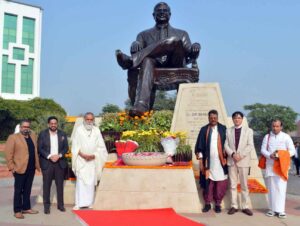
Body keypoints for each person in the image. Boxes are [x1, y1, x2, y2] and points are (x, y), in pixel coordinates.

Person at [116, 2, 201, 117]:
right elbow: (138, 47)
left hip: (175, 62)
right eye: (159, 11)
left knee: (174, 40)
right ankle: (141, 106)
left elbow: (190, 52)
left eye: (164, 10)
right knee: (146, 60)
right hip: (154, 64)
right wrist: (135, 43)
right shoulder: (143, 35)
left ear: (170, 14)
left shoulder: (182, 33)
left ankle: (131, 61)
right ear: (153, 15)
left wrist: (196, 46)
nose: (162, 13)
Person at [4, 119, 40, 219]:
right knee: (18, 190)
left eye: (28, 127)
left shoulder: (32, 136)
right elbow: (8, 153)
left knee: (28, 189)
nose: (26, 129)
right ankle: (17, 210)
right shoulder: (13, 137)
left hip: (31, 168)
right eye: (24, 127)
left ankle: (26, 207)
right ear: (20, 127)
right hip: (19, 168)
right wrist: (12, 167)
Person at [71, 112, 108, 210]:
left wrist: (93, 155)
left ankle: (90, 203)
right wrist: (83, 155)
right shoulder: (79, 130)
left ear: (93, 120)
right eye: (87, 119)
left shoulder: (96, 130)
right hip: (81, 160)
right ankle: (78, 203)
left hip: (92, 161)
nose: (89, 121)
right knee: (81, 183)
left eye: (91, 119)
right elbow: (75, 146)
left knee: (91, 183)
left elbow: (101, 147)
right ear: (84, 119)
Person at [261, 119, 295, 219]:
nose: (275, 128)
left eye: (277, 126)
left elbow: (292, 151)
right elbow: (263, 149)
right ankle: (271, 209)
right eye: (274, 126)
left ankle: (281, 211)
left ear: (281, 127)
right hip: (270, 165)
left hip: (282, 166)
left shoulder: (286, 137)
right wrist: (270, 155)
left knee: (281, 188)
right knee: (271, 188)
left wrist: (281, 155)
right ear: (271, 126)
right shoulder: (267, 137)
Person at [195, 110, 228, 213]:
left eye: (215, 118)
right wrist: (200, 158)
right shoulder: (204, 130)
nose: (213, 119)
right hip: (208, 163)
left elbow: (228, 144)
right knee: (208, 184)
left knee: (220, 184)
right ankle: (208, 204)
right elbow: (199, 145)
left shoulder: (223, 129)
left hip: (221, 162)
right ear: (208, 118)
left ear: (217, 118)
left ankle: (218, 204)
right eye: (211, 118)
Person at [224, 111, 254, 216]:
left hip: (243, 161)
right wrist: (232, 154)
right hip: (232, 161)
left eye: (239, 118)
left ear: (242, 119)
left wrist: (240, 155)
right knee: (232, 184)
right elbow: (225, 145)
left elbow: (250, 145)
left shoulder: (248, 131)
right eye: (235, 118)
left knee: (244, 185)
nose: (237, 119)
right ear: (232, 119)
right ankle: (234, 206)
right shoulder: (228, 131)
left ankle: (245, 206)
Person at [38, 116, 69, 214]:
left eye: (55, 123)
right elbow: (40, 148)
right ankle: (46, 207)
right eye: (51, 123)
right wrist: (50, 156)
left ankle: (61, 205)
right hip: (47, 163)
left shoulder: (62, 134)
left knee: (60, 185)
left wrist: (59, 155)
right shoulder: (43, 134)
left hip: (59, 163)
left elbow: (66, 148)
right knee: (46, 185)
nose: (53, 125)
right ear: (48, 124)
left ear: (57, 124)